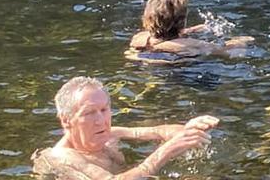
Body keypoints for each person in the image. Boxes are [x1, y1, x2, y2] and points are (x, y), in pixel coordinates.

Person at [32, 76, 218, 179]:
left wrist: (188, 130)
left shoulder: (109, 134)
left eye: (104, 110)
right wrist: (166, 151)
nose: (101, 120)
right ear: (66, 120)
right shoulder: (63, 158)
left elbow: (158, 131)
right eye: (89, 113)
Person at [127, 0, 251, 62]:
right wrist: (242, 40)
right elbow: (226, 51)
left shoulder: (140, 37)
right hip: (179, 76)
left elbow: (165, 39)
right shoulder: (191, 44)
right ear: (181, 21)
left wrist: (191, 30)